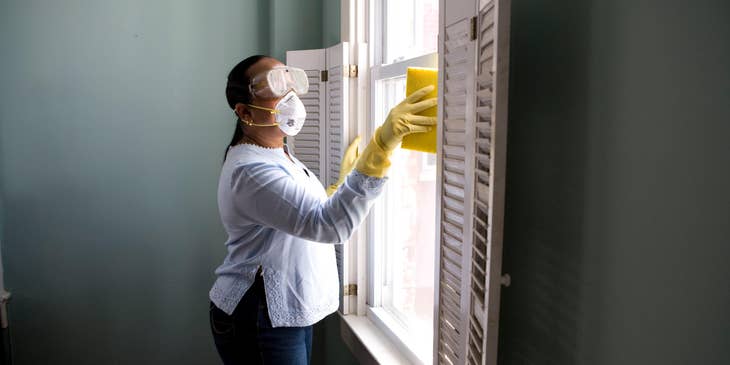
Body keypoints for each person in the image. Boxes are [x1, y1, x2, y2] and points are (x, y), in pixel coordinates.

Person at [208, 55, 436, 365]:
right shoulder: (250, 169)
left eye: (290, 81)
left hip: (283, 311)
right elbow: (328, 226)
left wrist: (339, 187)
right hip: (259, 312)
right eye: (274, 85)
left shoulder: (276, 152)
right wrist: (379, 150)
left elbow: (295, 210)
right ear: (245, 112)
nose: (290, 94)